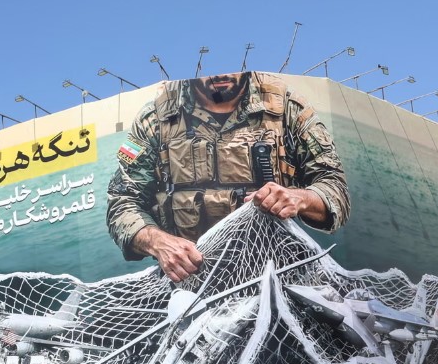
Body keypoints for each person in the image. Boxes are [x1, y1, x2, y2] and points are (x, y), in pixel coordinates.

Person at [106, 72, 350, 283]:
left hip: (279, 271)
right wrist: (158, 242)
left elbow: (334, 187)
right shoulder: (154, 119)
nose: (221, 76)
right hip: (189, 279)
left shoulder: (288, 107)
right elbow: (122, 201)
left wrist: (300, 198)